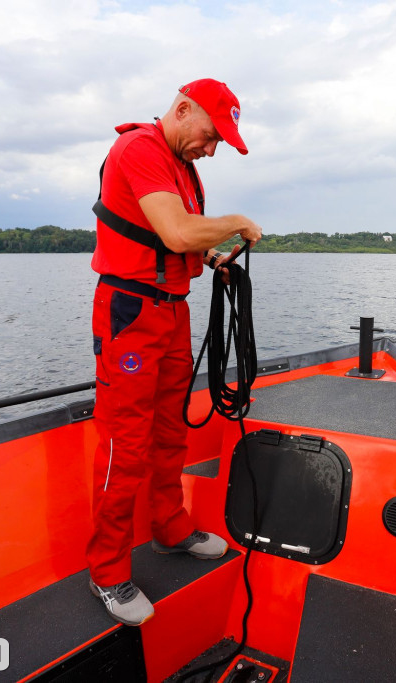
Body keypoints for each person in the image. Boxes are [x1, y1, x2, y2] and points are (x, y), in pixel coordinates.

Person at [86, 79, 262, 626]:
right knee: (127, 440)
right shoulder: (139, 149)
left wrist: (214, 258)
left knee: (169, 430)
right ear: (183, 110)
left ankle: (170, 527)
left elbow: (179, 238)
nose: (211, 150)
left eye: (218, 145)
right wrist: (236, 223)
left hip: (172, 310)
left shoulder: (182, 167)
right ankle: (107, 572)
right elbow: (175, 229)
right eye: (211, 137)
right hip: (131, 314)